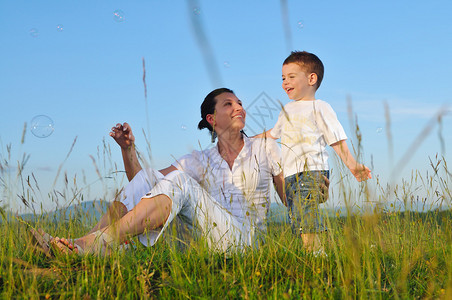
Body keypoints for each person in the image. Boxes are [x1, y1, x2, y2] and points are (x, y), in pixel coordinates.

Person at [45, 88, 287, 255]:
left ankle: (92, 245)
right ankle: (86, 244)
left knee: (179, 179)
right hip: (204, 242)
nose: (239, 108)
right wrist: (128, 150)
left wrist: (310, 191)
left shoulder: (264, 148)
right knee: (151, 176)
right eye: (229, 104)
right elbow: (144, 184)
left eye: (240, 104)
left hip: (247, 244)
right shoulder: (199, 159)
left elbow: (289, 198)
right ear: (211, 119)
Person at [254, 51, 372, 252]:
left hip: (311, 171)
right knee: (298, 215)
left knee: (306, 213)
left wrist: (352, 165)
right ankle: (312, 253)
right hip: (291, 175)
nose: (285, 82)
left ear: (311, 78)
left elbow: (335, 138)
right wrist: (248, 139)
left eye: (291, 77)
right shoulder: (287, 110)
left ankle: (316, 254)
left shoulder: (320, 107)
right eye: (283, 78)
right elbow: (273, 134)